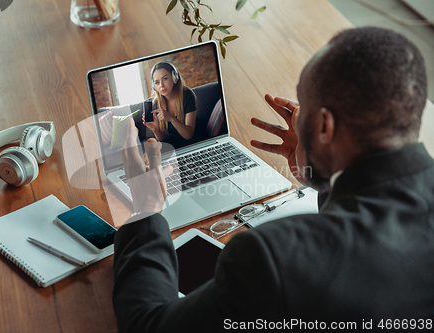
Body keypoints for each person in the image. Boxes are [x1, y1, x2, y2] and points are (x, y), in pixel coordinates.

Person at [112, 27, 434, 332]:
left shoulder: (272, 258)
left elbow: (148, 325)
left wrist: (146, 211)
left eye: (302, 106)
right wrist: (317, 174)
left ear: (324, 126)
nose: (297, 117)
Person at [143, 61, 197, 147]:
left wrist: (171, 119)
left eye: (165, 78)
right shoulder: (157, 103)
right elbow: (162, 138)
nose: (161, 85)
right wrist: (156, 129)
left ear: (174, 77)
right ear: (154, 86)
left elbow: (189, 135)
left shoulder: (187, 96)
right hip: (173, 147)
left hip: (191, 144)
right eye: (157, 82)